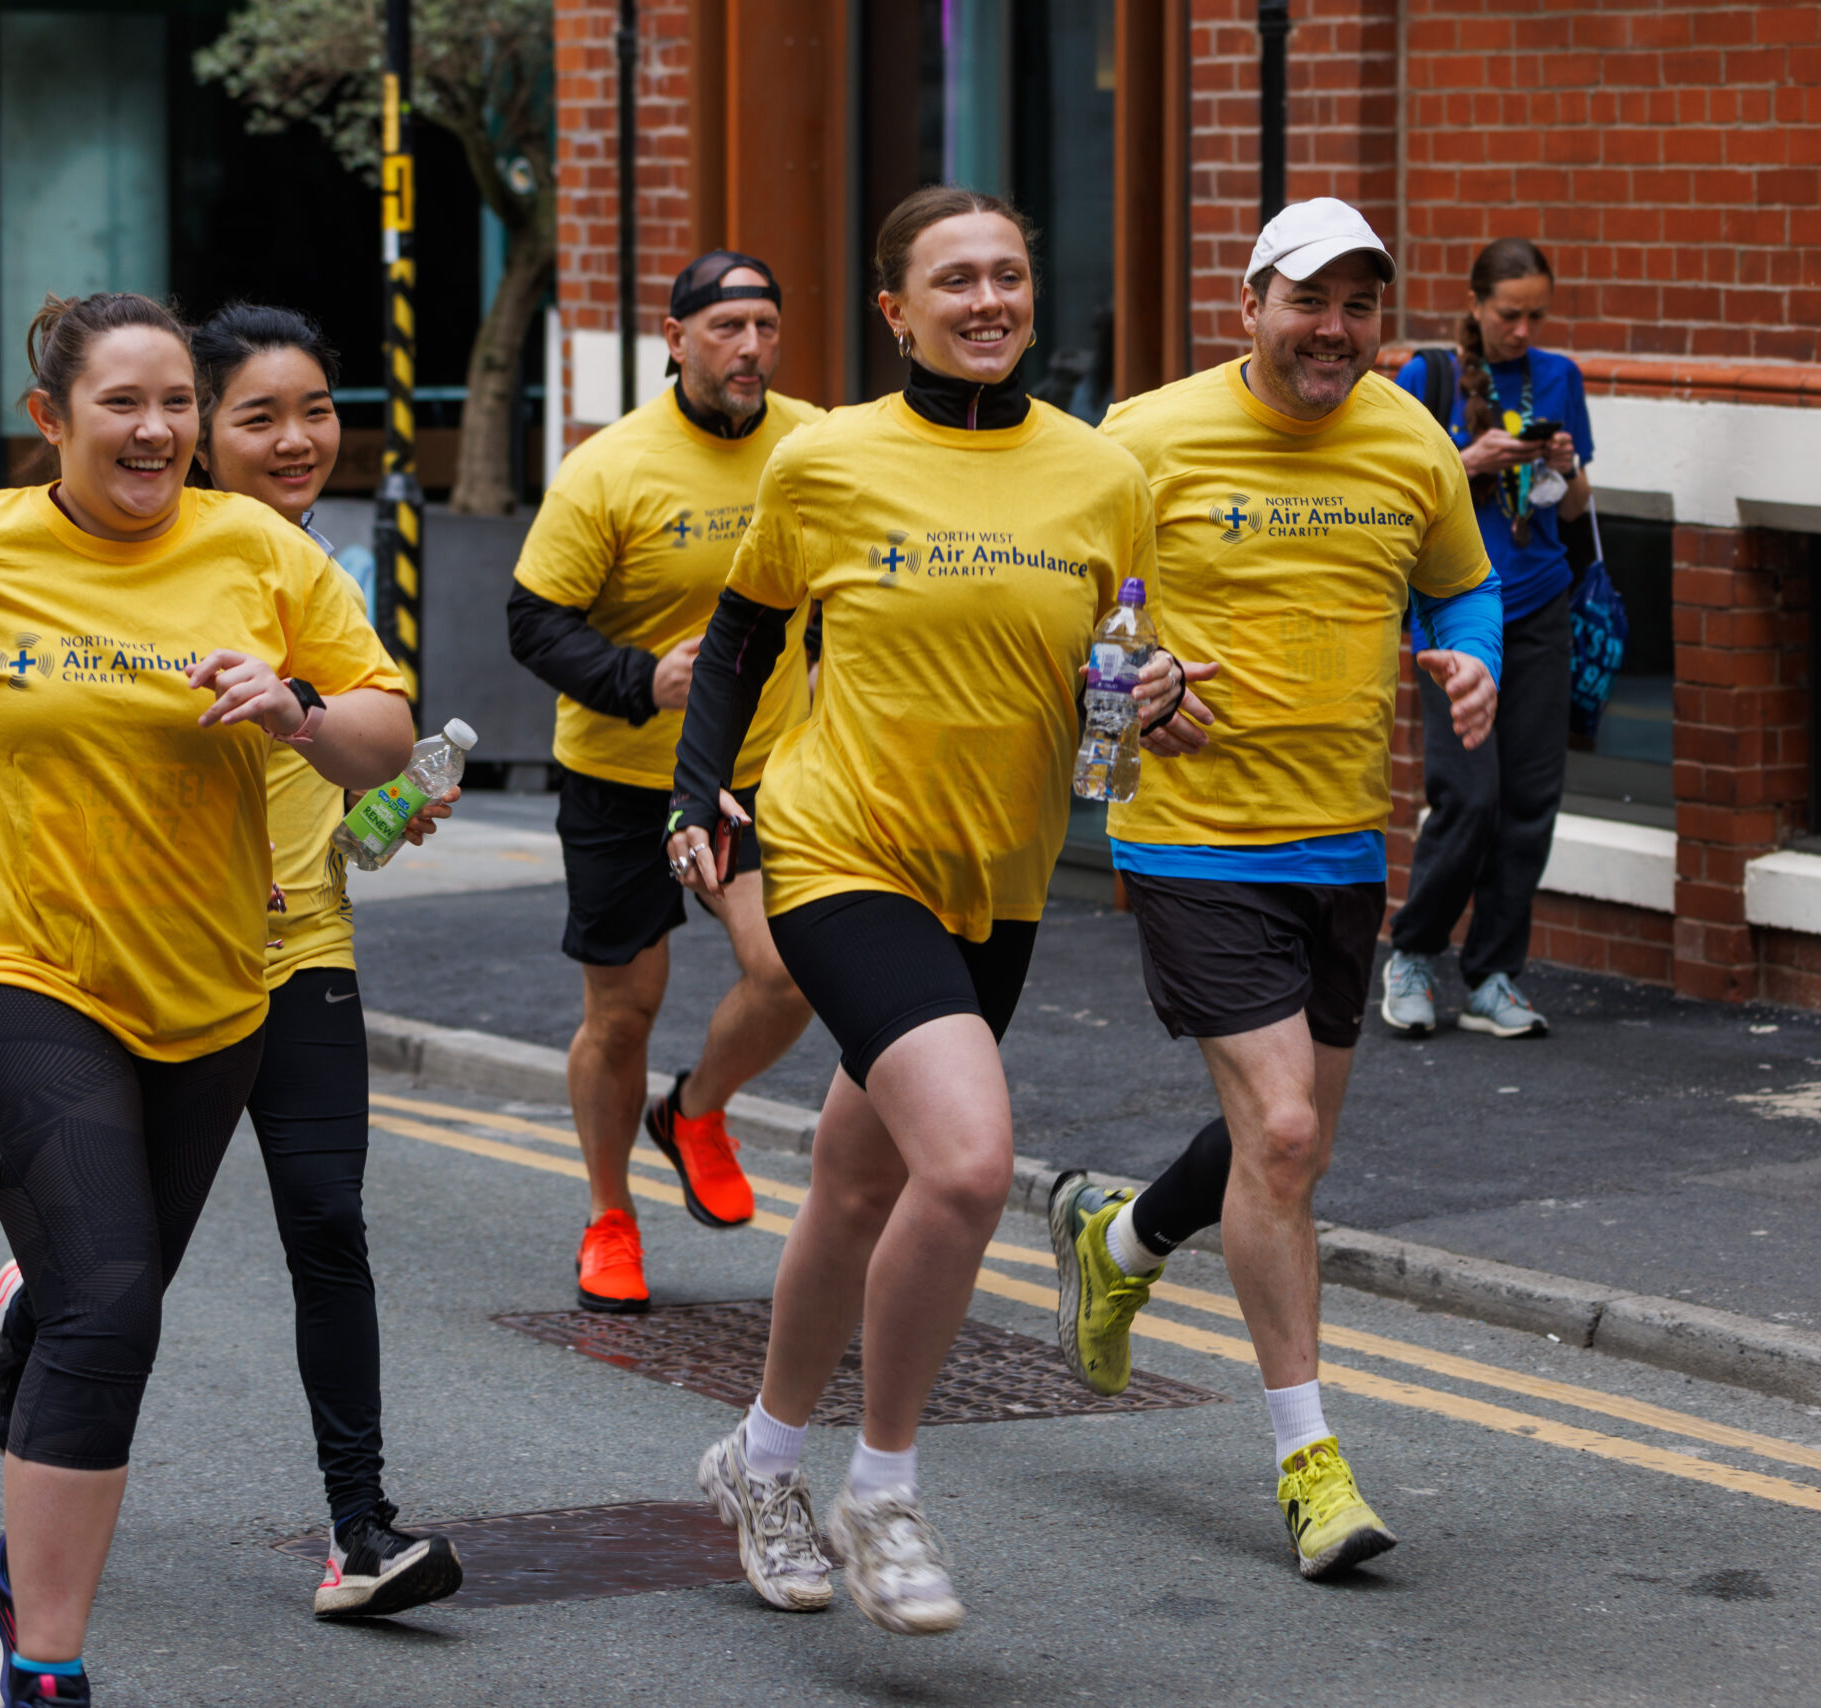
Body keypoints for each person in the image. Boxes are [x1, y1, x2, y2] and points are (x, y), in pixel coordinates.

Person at [0, 291, 413, 1707]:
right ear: (52, 419)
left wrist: (296, 707)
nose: (159, 427)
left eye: (177, 400)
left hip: (212, 1000)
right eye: (124, 401)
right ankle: (44, 1659)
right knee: (114, 1309)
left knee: (98, 1295)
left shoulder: (262, 553)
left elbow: (384, 735)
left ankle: (15, 1486)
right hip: (12, 976)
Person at [673, 188, 1161, 1635]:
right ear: (896, 312)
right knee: (965, 1165)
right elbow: (743, 630)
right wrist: (701, 797)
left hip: (995, 879)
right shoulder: (826, 462)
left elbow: (1126, 667)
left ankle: (758, 1458)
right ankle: (880, 1490)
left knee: (860, 1181)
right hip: (838, 851)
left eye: (1010, 273)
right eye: (957, 280)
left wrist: (1164, 704)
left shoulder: (1100, 473)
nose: (991, 299)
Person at [0, 301, 464, 1620]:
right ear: (187, 425)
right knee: (129, 1277)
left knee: (330, 1232)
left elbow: (338, 812)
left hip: (301, 956)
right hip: (140, 970)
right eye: (257, 415)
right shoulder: (129, 573)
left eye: (315, 412)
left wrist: (388, 808)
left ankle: (362, 1530)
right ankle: (34, 1337)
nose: (296, 441)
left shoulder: (326, 584)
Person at [1045, 197, 1500, 1582]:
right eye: (1312, 301)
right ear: (1251, 302)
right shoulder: (1145, 435)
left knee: (1279, 1150)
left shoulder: (1411, 438)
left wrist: (1472, 658)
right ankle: (1311, 1466)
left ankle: (1117, 1237)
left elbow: (1462, 587)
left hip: (1342, 845)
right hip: (1191, 838)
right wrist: (1131, 684)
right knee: (1288, 1134)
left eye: (1362, 305)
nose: (1337, 331)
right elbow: (1063, 624)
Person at [507, 250, 823, 1314]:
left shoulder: (816, 444)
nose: (749, 348)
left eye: (766, 327)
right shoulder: (611, 466)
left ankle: (694, 1110)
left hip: (757, 773)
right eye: (726, 328)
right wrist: (644, 676)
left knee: (787, 971)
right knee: (625, 1010)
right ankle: (609, 1211)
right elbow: (533, 620)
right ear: (676, 341)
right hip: (623, 775)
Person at [1382, 238, 1593, 1039]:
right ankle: (1412, 952)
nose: (1523, 329)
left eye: (1538, 313)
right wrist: (1468, 460)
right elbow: (1398, 497)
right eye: (1510, 314)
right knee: (1468, 798)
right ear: (1475, 306)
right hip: (1455, 612)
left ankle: (1495, 975)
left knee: (1530, 802)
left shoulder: (1559, 378)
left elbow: (1572, 515)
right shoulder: (1423, 379)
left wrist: (1565, 464)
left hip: (1539, 605)